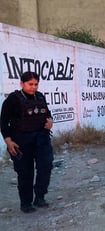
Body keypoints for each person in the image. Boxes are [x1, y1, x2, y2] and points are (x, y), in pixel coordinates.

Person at [1, 71, 54, 213]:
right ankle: (26, 203)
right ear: (22, 83)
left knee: (46, 167)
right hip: (21, 140)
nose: (33, 87)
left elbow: (48, 114)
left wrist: (50, 122)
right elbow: (4, 122)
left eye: (36, 84)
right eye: (30, 84)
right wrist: (8, 141)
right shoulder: (13, 99)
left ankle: (40, 197)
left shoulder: (40, 97)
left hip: (41, 139)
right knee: (25, 172)